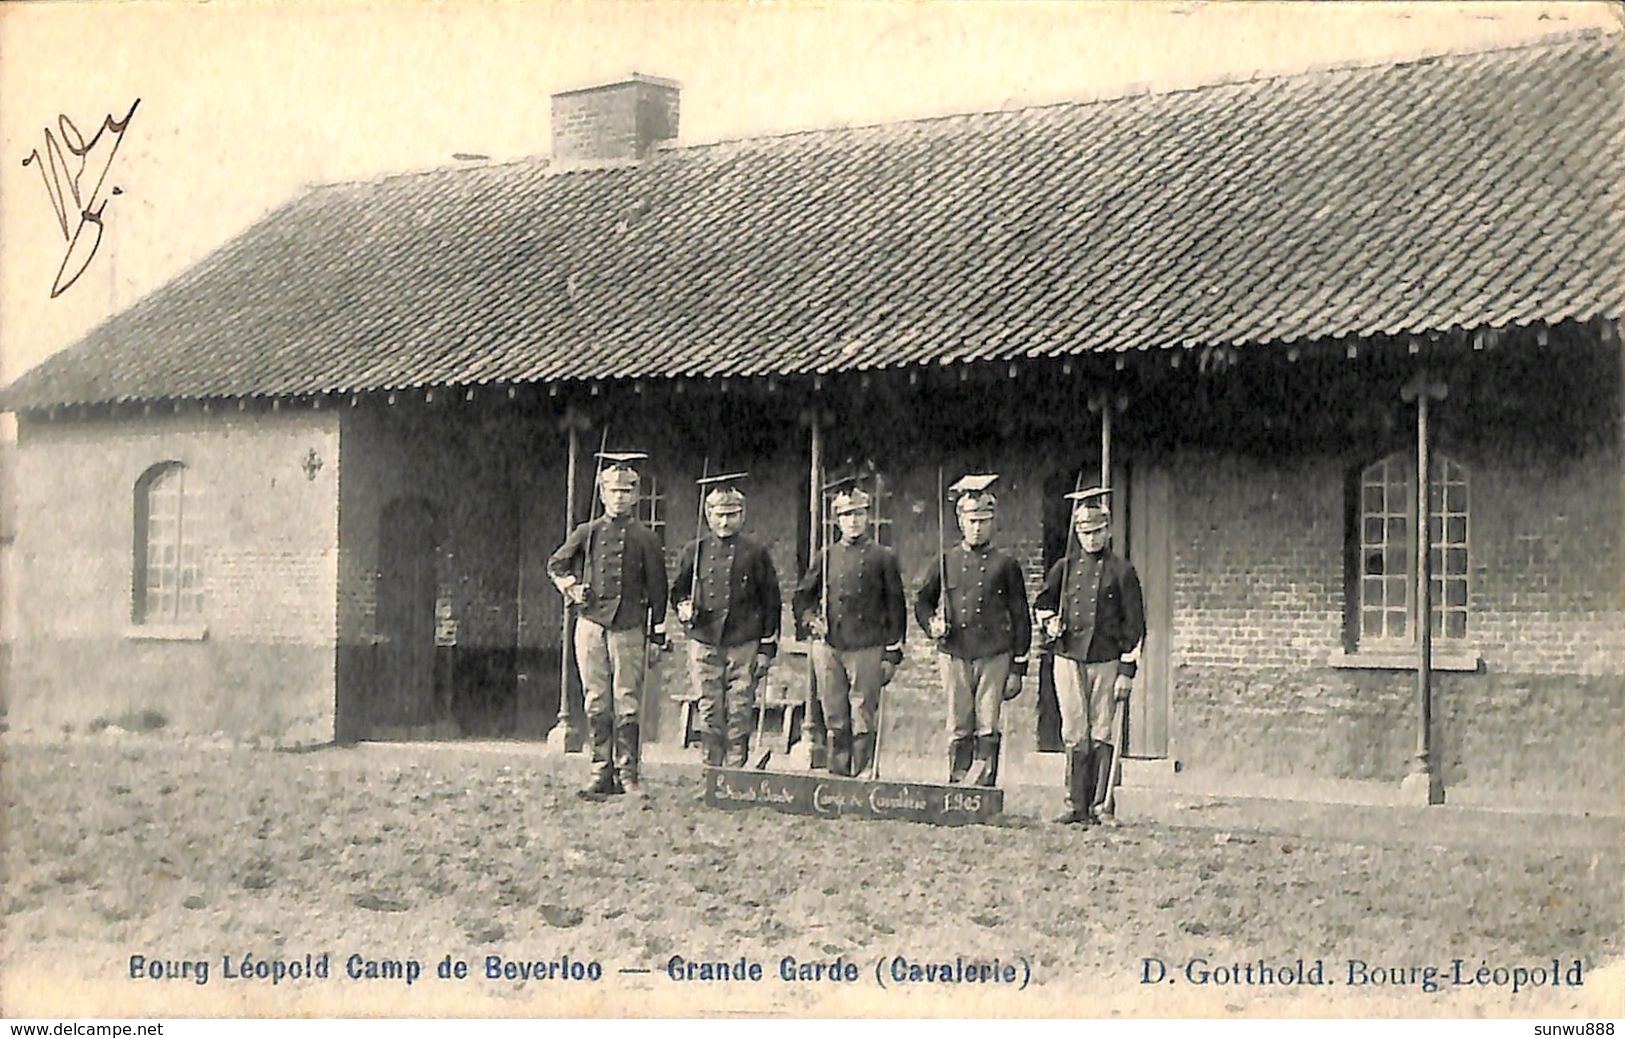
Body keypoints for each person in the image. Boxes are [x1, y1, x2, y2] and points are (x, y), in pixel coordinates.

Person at [548, 452, 669, 800]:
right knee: (596, 700)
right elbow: (555, 564)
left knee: (627, 701)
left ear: (636, 496)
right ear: (602, 494)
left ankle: (628, 772)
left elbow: (658, 591)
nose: (620, 497)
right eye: (613, 490)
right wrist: (572, 586)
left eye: (627, 491)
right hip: (590, 626)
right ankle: (601, 770)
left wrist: (657, 634)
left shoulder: (646, 539)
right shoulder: (587, 532)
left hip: (629, 627)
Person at [1033, 486, 1144, 825]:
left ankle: (1102, 804)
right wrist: (1049, 623)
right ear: (1076, 532)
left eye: (1097, 530)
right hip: (1068, 658)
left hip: (1106, 658)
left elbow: (1136, 625)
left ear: (1108, 530)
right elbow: (1042, 604)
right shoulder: (1063, 569)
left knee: (1102, 730)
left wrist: (1127, 670)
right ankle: (1075, 804)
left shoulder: (1122, 572)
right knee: (1074, 730)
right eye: (1084, 531)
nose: (1091, 537)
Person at [914, 474, 1032, 786]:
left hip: (994, 653)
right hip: (954, 653)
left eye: (984, 520)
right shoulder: (945, 560)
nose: (977, 526)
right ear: (960, 521)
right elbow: (922, 603)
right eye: (971, 520)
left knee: (988, 721)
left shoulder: (1006, 565)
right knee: (958, 721)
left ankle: (984, 786)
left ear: (993, 522)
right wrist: (932, 624)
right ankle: (958, 781)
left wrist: (1019, 666)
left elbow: (1021, 616)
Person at [792, 477, 907, 778]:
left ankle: (863, 770)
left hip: (867, 646)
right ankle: (838, 773)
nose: (852, 521)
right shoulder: (826, 556)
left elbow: (896, 608)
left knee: (863, 711)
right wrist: (810, 619)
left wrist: (892, 654)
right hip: (830, 646)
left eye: (858, 514)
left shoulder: (883, 557)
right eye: (845, 515)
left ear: (867, 516)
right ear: (837, 519)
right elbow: (802, 596)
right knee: (834, 712)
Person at [670, 473, 782, 768]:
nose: (725, 522)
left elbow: (771, 602)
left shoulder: (756, 554)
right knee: (708, 705)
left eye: (732, 515)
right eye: (719, 515)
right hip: (704, 641)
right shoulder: (693, 552)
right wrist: (684, 609)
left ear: (742, 515)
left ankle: (735, 770)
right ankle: (711, 768)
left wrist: (766, 649)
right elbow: (678, 591)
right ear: (708, 516)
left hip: (743, 641)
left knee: (740, 705)